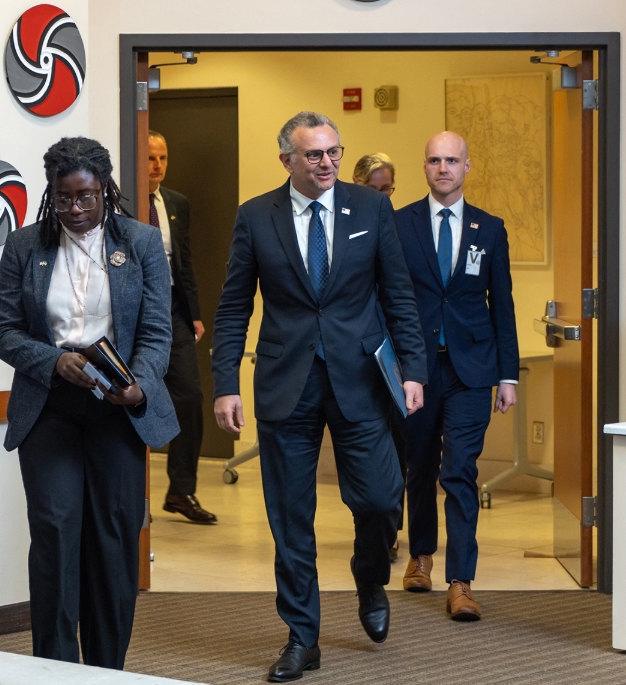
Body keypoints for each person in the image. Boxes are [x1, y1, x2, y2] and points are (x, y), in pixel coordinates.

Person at [211, 112, 427, 682]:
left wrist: (413, 370)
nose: (327, 162)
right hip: (287, 385)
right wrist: (226, 382)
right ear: (287, 160)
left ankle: (368, 577)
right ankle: (302, 636)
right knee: (290, 518)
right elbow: (234, 306)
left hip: (361, 381)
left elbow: (398, 294)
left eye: (333, 151)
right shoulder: (257, 216)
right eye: (313, 155)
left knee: (381, 500)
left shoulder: (371, 208)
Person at [0, 136, 179, 669]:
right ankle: (53, 669)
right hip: (50, 408)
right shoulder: (25, 246)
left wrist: (138, 382)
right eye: (64, 196)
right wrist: (52, 361)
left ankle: (105, 671)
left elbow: (157, 332)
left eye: (86, 196)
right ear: (51, 193)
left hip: (117, 410)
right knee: (53, 533)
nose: (75, 208)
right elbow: (2, 332)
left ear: (106, 191)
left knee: (114, 540)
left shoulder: (139, 243)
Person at [394, 131, 519, 621]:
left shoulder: (489, 229)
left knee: (460, 469)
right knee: (419, 464)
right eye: (434, 160)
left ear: (468, 166)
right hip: (417, 370)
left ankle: (461, 581)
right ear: (424, 167)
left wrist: (507, 374)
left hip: (473, 369)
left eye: (452, 160)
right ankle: (421, 556)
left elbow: (502, 306)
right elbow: (388, 298)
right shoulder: (400, 224)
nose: (443, 168)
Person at [148, 130, 215, 524]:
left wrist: (194, 313)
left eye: (163, 158)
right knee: (132, 399)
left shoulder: (176, 204)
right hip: (132, 312)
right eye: (151, 157)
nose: (157, 165)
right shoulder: (121, 203)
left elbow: (183, 262)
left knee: (189, 396)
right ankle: (135, 491)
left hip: (172, 310)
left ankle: (181, 489)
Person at [352, 152, 406, 563]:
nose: (383, 196)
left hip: (392, 351)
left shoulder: (392, 224)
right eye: (375, 189)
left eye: (387, 189)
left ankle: (390, 529)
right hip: (356, 353)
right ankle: (373, 532)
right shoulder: (346, 222)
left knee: (397, 445)